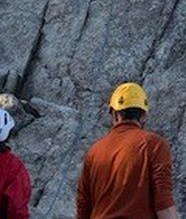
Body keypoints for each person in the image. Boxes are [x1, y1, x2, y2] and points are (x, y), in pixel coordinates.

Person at [76, 83, 178, 219]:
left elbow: (83, 207)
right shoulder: (155, 145)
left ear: (115, 115)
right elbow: (163, 202)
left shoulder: (94, 151)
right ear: (143, 116)